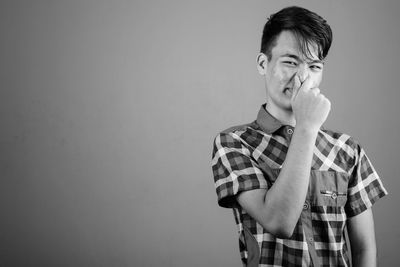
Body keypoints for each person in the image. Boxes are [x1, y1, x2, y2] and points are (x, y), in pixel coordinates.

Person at [211, 6, 387, 267]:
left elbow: (364, 250)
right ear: (263, 63)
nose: (303, 78)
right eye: (291, 62)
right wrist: (306, 127)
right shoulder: (234, 143)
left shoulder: (348, 150)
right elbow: (278, 221)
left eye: (314, 66)